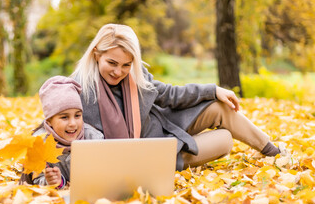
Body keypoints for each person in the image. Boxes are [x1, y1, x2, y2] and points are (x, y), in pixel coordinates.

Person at [71, 23, 284, 171]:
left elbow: (170, 95)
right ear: (96, 54)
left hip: (168, 126)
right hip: (156, 155)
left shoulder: (136, 75)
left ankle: (273, 151)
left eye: (126, 65)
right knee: (225, 139)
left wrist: (213, 90)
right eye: (112, 63)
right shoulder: (80, 90)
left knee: (221, 107)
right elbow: (68, 134)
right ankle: (176, 161)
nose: (119, 72)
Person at [19, 76, 103, 188]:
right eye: (64, 117)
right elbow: (37, 180)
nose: (73, 123)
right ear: (49, 121)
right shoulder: (39, 143)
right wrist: (53, 182)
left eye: (77, 115)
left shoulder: (94, 138)